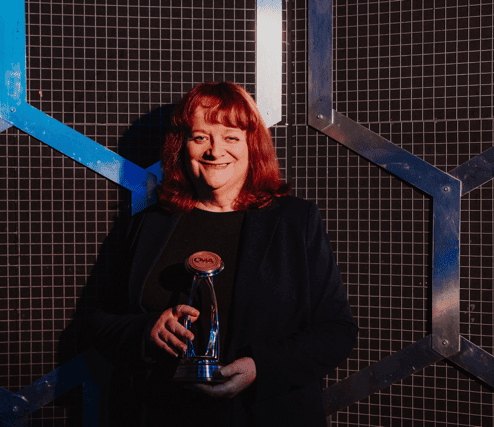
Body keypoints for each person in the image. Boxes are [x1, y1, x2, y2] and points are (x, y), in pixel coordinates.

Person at [86, 81, 358, 426]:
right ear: (182, 146)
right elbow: (98, 321)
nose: (215, 151)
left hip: (264, 415)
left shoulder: (295, 221)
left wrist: (261, 368)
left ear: (252, 145)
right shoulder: (149, 224)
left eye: (231, 137)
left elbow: (336, 330)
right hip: (160, 414)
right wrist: (145, 331)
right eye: (200, 137)